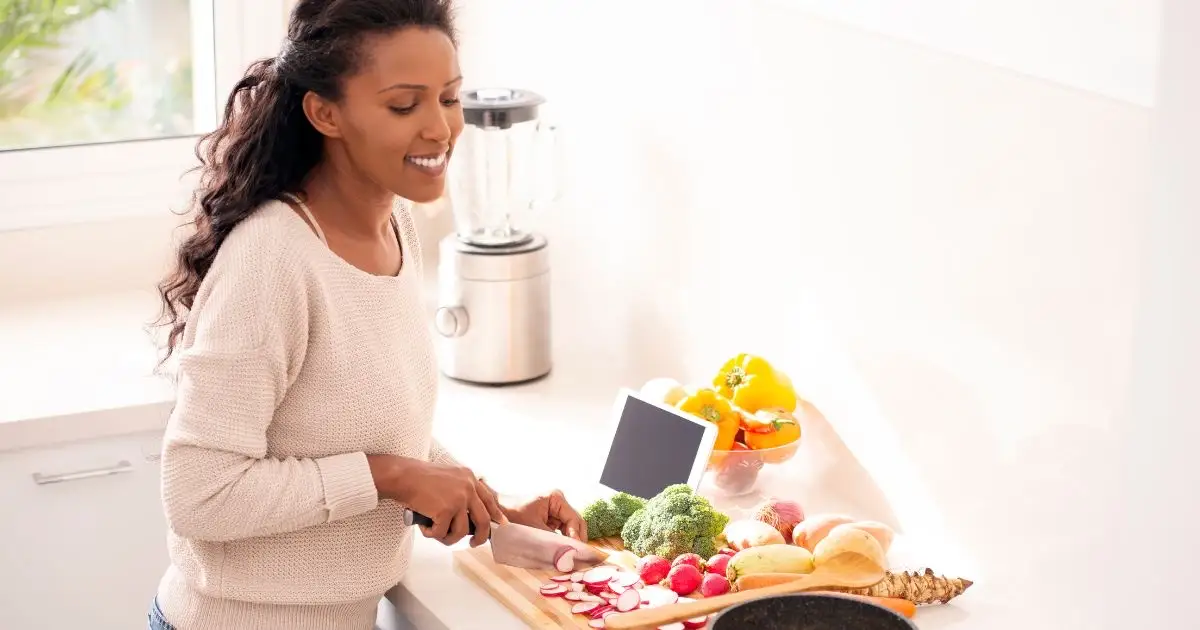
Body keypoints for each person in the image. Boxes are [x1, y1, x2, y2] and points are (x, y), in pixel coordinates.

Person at [147, 1, 586, 628]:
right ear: (326, 113)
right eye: (404, 106)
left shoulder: (397, 225)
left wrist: (487, 504)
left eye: (450, 98)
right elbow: (199, 492)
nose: (440, 129)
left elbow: (367, 425)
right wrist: (392, 478)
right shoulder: (274, 260)